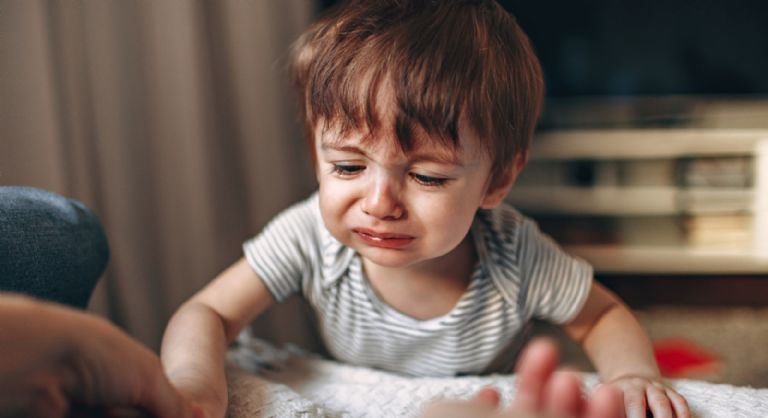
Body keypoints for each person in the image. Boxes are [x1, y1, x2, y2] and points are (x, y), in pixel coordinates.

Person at [161, 1, 689, 418]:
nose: (379, 203)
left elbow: (601, 317)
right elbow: (208, 312)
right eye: (347, 168)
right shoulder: (307, 236)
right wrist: (191, 384)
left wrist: (630, 377)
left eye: (426, 176)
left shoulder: (513, 252)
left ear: (498, 179)